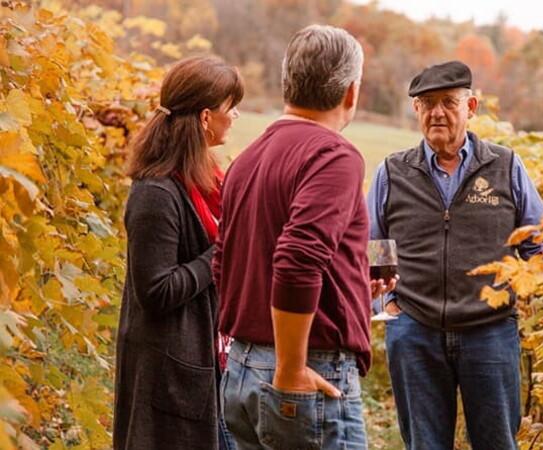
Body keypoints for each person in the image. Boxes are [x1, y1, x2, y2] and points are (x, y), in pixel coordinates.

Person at [366, 60, 543, 450]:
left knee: (497, 444)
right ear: (416, 110)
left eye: (448, 102)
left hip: (489, 333)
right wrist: (387, 305)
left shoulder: (505, 166)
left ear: (471, 108)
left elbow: (538, 242)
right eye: (427, 103)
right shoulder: (393, 172)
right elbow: (375, 244)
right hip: (415, 333)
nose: (437, 112)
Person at [213, 25, 390, 450]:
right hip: (305, 369)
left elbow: (226, 261)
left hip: (241, 369)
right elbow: (296, 260)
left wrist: (347, 294)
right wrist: (290, 367)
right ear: (351, 92)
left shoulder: (248, 158)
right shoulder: (334, 155)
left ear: (287, 83)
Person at [114, 55, 243, 450]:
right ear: (206, 118)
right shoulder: (156, 193)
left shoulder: (206, 180)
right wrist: (219, 254)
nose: (235, 116)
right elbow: (155, 291)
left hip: (208, 362)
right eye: (229, 108)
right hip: (168, 374)